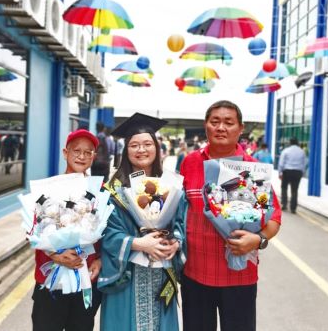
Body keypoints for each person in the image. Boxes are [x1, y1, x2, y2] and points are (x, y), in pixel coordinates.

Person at [179, 100, 282, 331]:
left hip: (240, 276)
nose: (221, 128)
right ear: (206, 126)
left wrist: (258, 240)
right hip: (195, 274)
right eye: (214, 122)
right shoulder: (190, 163)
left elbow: (274, 217)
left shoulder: (253, 169)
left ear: (240, 129)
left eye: (228, 122)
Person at [98, 113, 185, 331]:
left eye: (147, 144)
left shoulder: (170, 185)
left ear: (157, 148)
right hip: (126, 275)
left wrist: (176, 241)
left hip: (161, 270)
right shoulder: (113, 190)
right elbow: (106, 232)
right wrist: (138, 244)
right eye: (134, 145)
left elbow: (180, 222)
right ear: (126, 151)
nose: (141, 150)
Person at [32, 129, 102, 331]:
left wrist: (100, 259)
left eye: (88, 152)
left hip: (86, 278)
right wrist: (54, 253)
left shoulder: (99, 190)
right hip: (51, 280)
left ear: (93, 157)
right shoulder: (47, 189)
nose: (82, 156)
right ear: (65, 153)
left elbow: (106, 234)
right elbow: (34, 229)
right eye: (76, 151)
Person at [278, 137, 308, 214]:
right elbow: (304, 163)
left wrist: (280, 173)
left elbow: (281, 163)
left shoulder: (286, 151)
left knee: (284, 188)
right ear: (297, 143)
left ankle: (284, 204)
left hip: (287, 171)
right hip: (297, 172)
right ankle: (293, 208)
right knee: (294, 190)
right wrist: (302, 172)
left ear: (290, 143)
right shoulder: (302, 151)